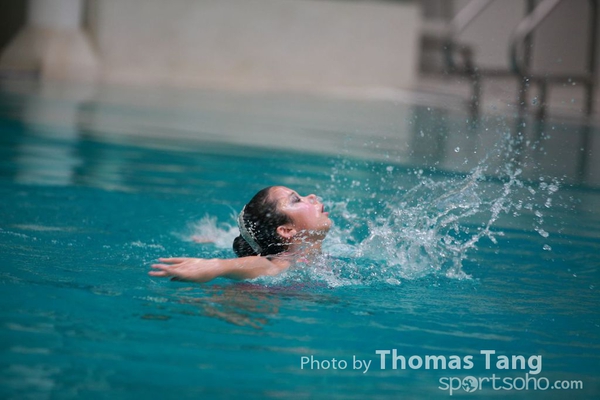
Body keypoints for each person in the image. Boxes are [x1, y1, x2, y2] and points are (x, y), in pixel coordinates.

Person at [149, 186, 332, 283]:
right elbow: (265, 265)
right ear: (286, 231)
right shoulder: (287, 263)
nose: (312, 196)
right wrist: (216, 266)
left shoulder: (309, 244)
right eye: (296, 200)